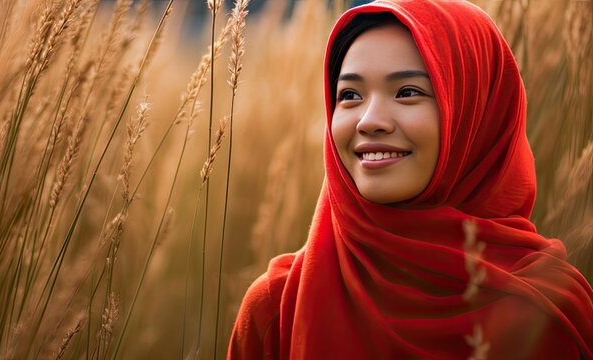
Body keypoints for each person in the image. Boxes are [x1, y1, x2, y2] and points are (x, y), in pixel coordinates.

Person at [227, 0, 593, 358]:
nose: (369, 120)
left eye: (407, 93)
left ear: (477, 115)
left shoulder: (548, 312)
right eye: (350, 95)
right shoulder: (278, 308)